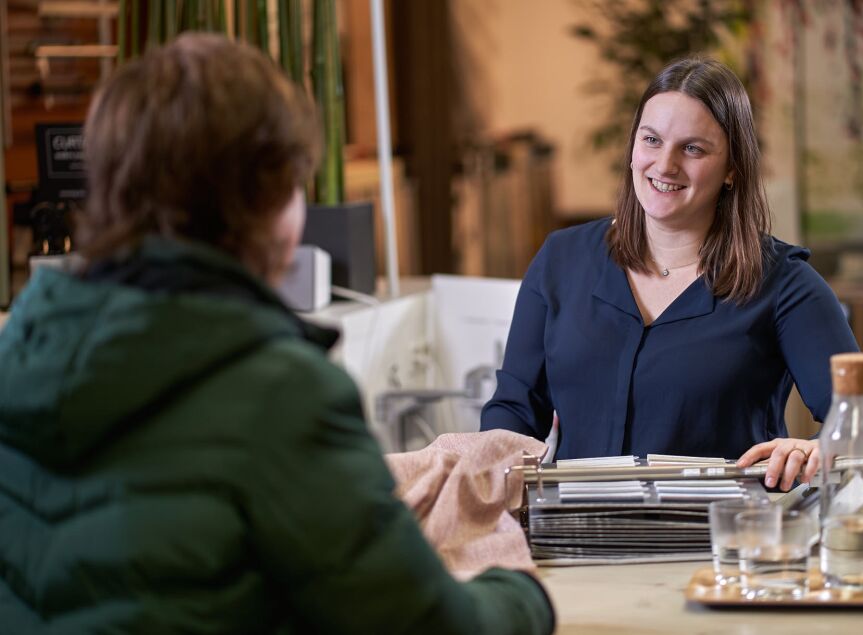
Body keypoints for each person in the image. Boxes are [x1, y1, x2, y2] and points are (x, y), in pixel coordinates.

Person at [0, 34, 553, 634]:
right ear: (265, 203)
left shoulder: (22, 348)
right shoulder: (277, 392)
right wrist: (521, 592)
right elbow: (422, 623)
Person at [480, 57, 863, 492]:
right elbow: (513, 410)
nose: (664, 165)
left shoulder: (784, 284)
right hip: (571, 542)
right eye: (652, 140)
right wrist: (493, 470)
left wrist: (816, 449)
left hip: (722, 544)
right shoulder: (561, 261)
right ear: (632, 148)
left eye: (693, 148)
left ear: (733, 168)